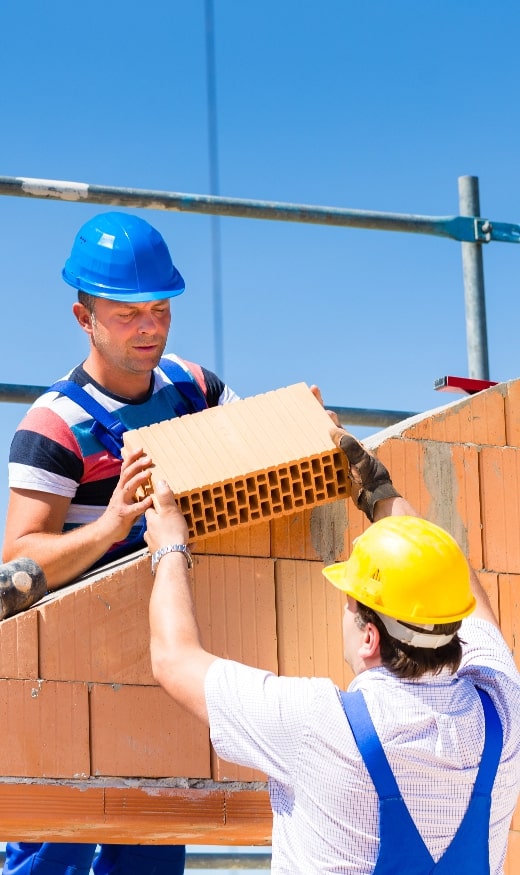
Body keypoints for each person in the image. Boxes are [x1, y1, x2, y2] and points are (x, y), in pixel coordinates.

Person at [145, 427, 520, 874]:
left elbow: (174, 658)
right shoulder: (503, 710)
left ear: (369, 638)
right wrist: (382, 496)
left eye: (348, 603)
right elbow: (463, 594)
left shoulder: (318, 726)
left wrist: (169, 544)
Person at [2, 211, 239, 875]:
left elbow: (256, 457)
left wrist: (306, 428)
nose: (150, 328)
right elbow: (17, 557)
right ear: (85, 318)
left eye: (160, 309)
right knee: (56, 849)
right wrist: (109, 528)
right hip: (71, 669)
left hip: (161, 665)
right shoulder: (54, 424)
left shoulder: (195, 391)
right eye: (128, 313)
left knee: (151, 850)